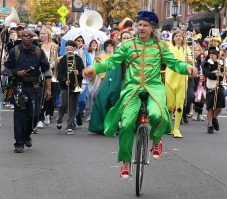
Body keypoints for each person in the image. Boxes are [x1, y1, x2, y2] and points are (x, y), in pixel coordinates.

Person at [83, 11, 197, 179]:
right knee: (127, 123)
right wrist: (94, 68)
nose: (141, 28)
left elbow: (174, 63)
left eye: (145, 25)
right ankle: (126, 162)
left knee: (158, 115)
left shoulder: (160, 46)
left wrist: (187, 68)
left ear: (152, 28)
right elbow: (111, 61)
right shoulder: (127, 46)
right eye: (139, 25)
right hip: (133, 88)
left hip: (154, 87)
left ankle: (157, 140)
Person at [5, 29, 52, 153]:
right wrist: (16, 72)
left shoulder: (38, 51)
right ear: (21, 36)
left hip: (35, 87)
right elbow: (5, 70)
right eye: (26, 36)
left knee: (35, 115)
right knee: (20, 115)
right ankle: (19, 142)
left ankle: (27, 134)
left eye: (31, 36)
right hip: (19, 86)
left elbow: (47, 70)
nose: (28, 38)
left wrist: (48, 89)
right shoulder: (14, 51)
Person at [166, 30, 192, 138]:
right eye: (176, 36)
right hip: (170, 79)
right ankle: (167, 126)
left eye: (180, 36)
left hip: (182, 80)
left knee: (180, 105)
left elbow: (191, 60)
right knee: (170, 105)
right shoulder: (168, 47)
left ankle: (176, 128)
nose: (178, 37)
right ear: (173, 38)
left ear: (183, 38)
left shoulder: (187, 48)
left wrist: (190, 60)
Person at [56, 40, 84, 134]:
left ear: (75, 48)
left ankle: (70, 125)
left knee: (73, 106)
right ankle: (59, 118)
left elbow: (83, 72)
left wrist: (79, 73)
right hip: (65, 86)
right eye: (67, 46)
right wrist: (64, 80)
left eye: (71, 46)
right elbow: (59, 73)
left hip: (75, 85)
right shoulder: (63, 59)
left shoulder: (78, 59)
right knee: (64, 104)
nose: (68, 47)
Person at [37, 27, 59, 128]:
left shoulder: (54, 46)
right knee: (40, 95)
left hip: (50, 72)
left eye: (44, 33)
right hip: (39, 73)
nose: (42, 35)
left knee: (50, 95)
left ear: (48, 35)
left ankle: (48, 113)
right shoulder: (38, 46)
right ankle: (40, 118)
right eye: (41, 33)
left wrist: (48, 67)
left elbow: (54, 59)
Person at [202, 46, 225, 134]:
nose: (212, 56)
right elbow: (206, 73)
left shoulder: (221, 63)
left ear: (217, 55)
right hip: (210, 86)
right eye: (210, 54)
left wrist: (223, 73)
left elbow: (224, 73)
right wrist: (216, 74)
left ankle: (214, 118)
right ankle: (210, 125)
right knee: (210, 106)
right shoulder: (206, 63)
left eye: (214, 54)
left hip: (220, 86)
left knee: (219, 107)